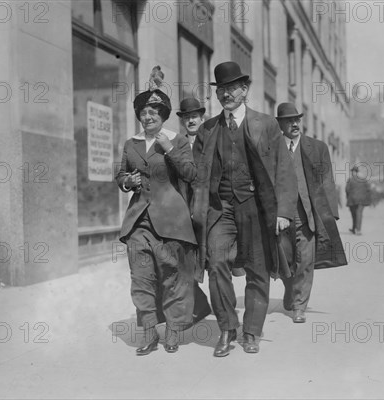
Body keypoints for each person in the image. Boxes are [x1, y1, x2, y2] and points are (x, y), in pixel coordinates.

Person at [191, 61, 297, 356]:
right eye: (221, 89)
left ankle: (251, 331)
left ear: (244, 90)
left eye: (231, 88)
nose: (226, 94)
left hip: (256, 206)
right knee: (217, 263)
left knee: (257, 270)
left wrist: (284, 212)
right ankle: (227, 328)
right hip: (220, 207)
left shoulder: (266, 124)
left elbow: (284, 171)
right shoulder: (208, 129)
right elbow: (196, 174)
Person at [115, 67, 208, 355]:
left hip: (172, 221)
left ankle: (173, 331)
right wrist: (126, 182)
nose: (148, 116)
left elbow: (192, 175)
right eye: (143, 111)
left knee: (172, 278)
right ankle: (147, 333)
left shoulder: (177, 141)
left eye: (155, 111)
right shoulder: (131, 144)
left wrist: (168, 148)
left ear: (164, 115)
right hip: (138, 222)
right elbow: (120, 175)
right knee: (141, 279)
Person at [276, 103, 347, 324]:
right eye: (289, 120)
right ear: (280, 124)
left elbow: (327, 180)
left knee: (305, 260)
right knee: (284, 260)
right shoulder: (272, 147)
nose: (294, 124)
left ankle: (299, 306)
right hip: (281, 215)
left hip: (308, 214)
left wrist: (330, 215)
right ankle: (290, 289)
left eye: (297, 119)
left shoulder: (317, 147)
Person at [176, 97, 213, 325]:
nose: (190, 120)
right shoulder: (177, 143)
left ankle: (221, 310)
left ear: (202, 118)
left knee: (215, 263)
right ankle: (199, 305)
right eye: (186, 117)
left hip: (210, 210)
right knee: (182, 261)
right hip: (184, 211)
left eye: (194, 117)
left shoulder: (211, 141)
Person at [345, 165, 371, 235]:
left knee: (354, 214)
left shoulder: (350, 180)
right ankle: (357, 229)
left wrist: (348, 198)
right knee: (359, 214)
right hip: (362, 200)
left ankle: (354, 228)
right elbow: (368, 189)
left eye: (352, 172)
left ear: (353, 172)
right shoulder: (364, 179)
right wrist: (365, 197)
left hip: (352, 199)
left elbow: (347, 190)